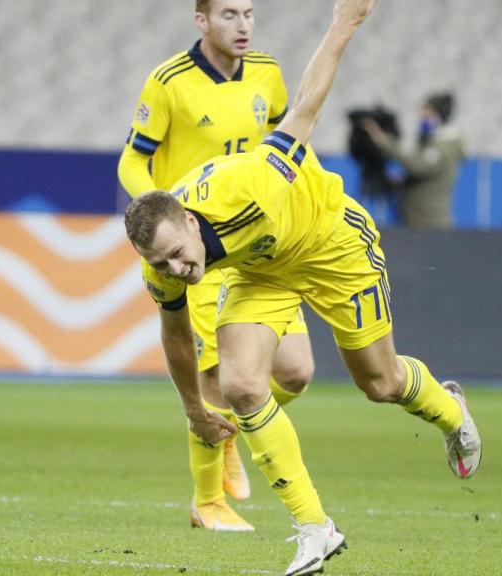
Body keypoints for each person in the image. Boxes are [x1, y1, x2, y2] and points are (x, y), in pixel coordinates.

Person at [124, 1, 481, 574]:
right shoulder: (161, 263)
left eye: (179, 255)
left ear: (191, 221)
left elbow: (306, 108)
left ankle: (451, 411)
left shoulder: (250, 186)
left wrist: (343, 23)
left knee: (380, 383)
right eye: (162, 264)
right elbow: (176, 337)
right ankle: (315, 528)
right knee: (240, 384)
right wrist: (194, 409)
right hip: (261, 270)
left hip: (331, 244)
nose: (178, 269)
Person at [117, 0, 315, 533]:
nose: (243, 24)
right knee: (213, 377)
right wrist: (162, 209)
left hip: (256, 241)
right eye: (229, 14)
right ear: (201, 21)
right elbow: (132, 159)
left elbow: (287, 144)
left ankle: (229, 428)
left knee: (296, 372)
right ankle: (208, 502)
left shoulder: (268, 73)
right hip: (197, 248)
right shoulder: (169, 82)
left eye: (248, 13)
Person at [360, 92, 464, 229]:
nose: (422, 119)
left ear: (439, 116)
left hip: (431, 223)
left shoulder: (443, 146)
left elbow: (417, 166)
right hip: (415, 219)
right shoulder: (430, 142)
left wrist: (383, 140)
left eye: (427, 116)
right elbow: (425, 178)